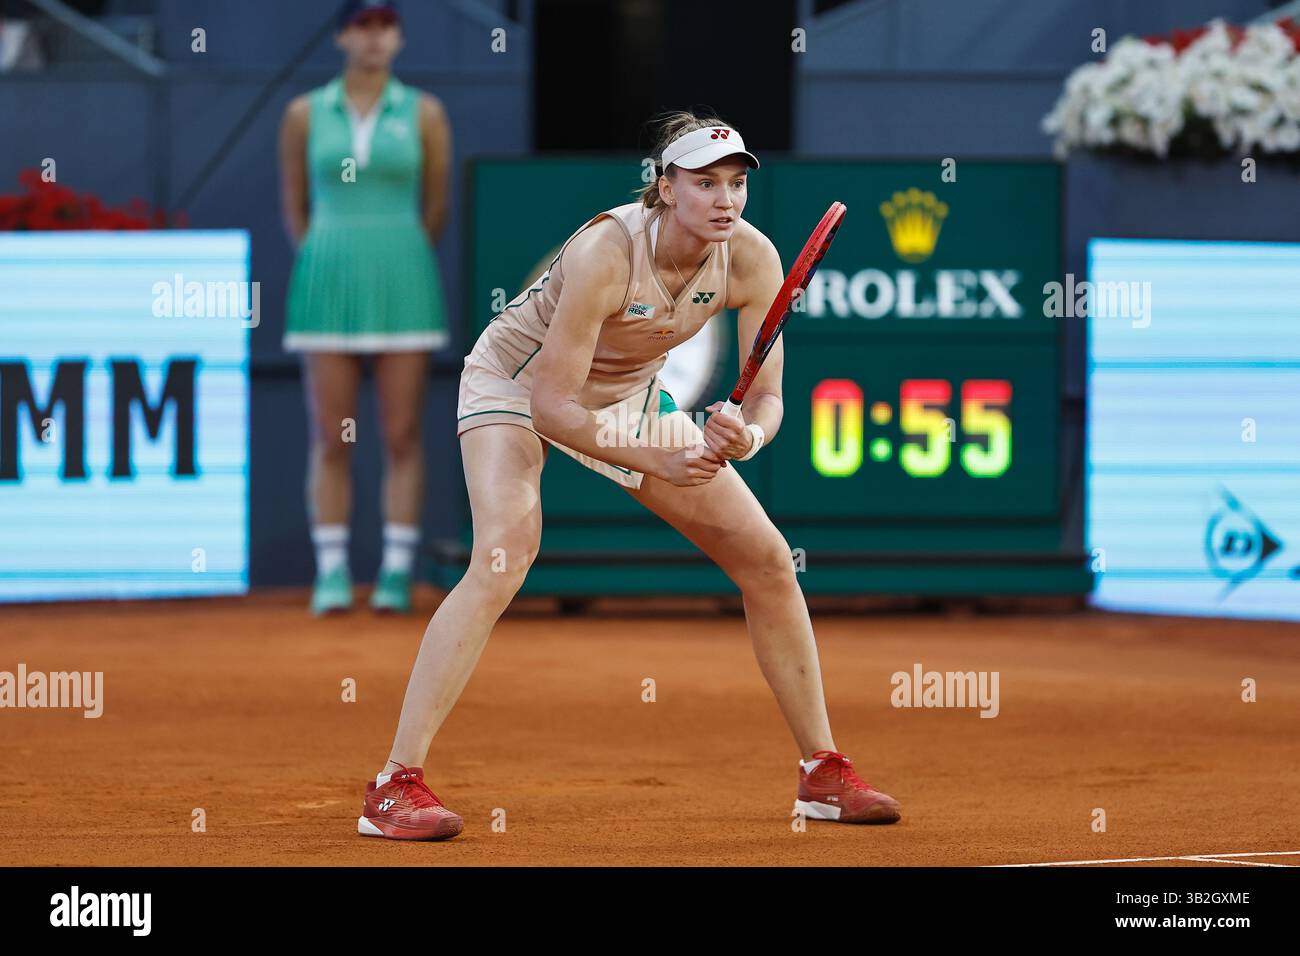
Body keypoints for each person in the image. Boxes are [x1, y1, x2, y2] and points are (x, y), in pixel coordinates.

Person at [358, 112, 902, 841]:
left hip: (630, 397)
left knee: (769, 561)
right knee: (502, 556)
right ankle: (395, 784)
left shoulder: (751, 258)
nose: (725, 200)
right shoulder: (606, 253)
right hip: (518, 388)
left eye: (735, 184)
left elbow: (768, 397)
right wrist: (658, 459)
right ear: (663, 186)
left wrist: (748, 437)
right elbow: (552, 406)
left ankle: (823, 773)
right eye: (704, 183)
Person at [278, 0, 451, 615]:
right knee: (331, 437)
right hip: (325, 281)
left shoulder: (426, 112)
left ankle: (396, 571)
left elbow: (435, 206)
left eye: (387, 26)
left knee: (401, 433)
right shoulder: (303, 114)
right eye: (364, 25)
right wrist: (333, 253)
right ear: (343, 37)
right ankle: (331, 572)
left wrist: (393, 253)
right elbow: (295, 205)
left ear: (398, 38)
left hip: (403, 280)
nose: (377, 37)